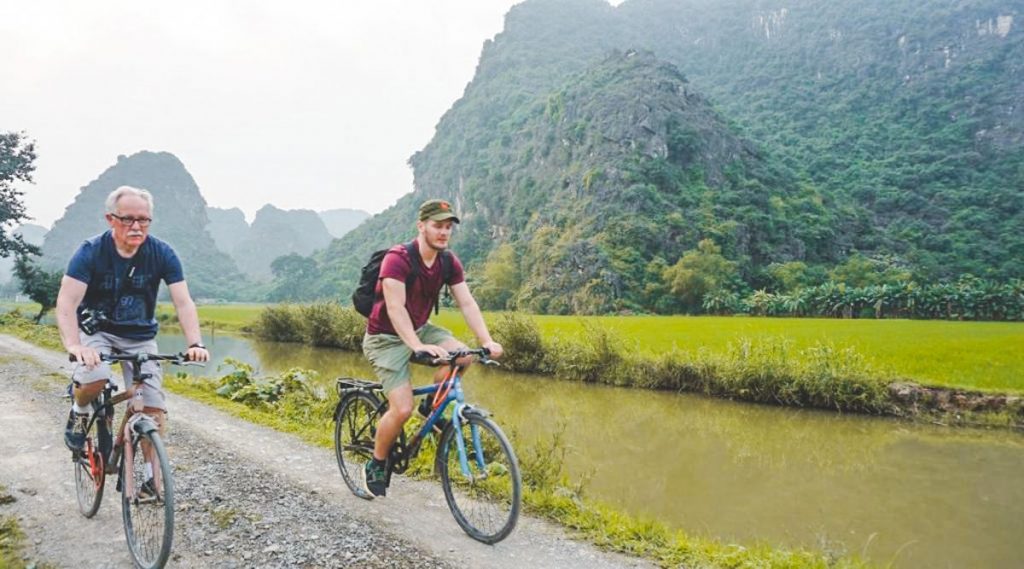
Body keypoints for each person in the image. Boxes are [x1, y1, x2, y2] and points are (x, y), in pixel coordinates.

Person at [359, 198, 503, 499]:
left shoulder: (448, 262)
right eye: (437, 225)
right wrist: (417, 345)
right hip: (385, 337)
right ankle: (375, 462)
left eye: (448, 226)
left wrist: (487, 341)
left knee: (464, 356)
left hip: (421, 329)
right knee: (401, 408)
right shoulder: (397, 259)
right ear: (421, 226)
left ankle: (432, 405)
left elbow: (467, 302)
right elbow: (396, 309)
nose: (443, 232)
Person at [56, 186, 210, 457]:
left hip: (140, 336)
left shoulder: (162, 253)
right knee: (96, 375)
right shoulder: (91, 251)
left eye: (144, 220)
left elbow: (183, 302)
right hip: (98, 331)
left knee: (153, 409)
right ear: (111, 219)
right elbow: (67, 302)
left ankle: (153, 479)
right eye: (128, 219)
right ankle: (79, 411)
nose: (136, 226)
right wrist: (74, 345)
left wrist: (195, 342)